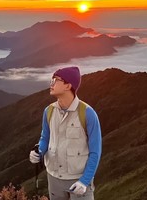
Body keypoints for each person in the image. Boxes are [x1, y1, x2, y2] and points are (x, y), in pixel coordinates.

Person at [29, 66, 102, 199]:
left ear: (68, 85)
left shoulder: (88, 113)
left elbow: (95, 152)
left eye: (55, 80)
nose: (51, 84)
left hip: (78, 180)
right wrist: (38, 151)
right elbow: (45, 138)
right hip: (54, 178)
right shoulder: (49, 111)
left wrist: (84, 181)